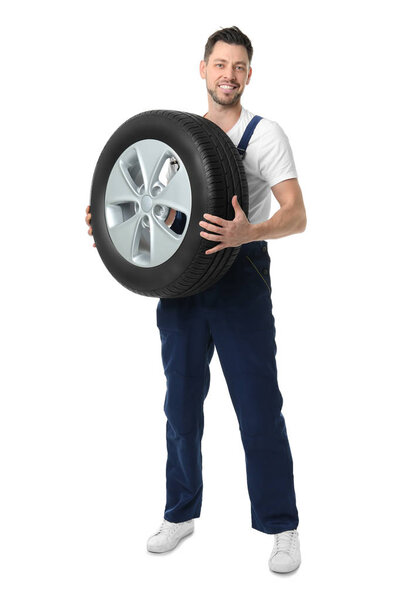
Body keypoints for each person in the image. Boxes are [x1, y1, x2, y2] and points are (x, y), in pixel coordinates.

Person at [85, 26, 306, 574]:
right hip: (182, 287)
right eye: (219, 64)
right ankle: (180, 512)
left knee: (257, 410)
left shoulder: (264, 133)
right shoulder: (176, 139)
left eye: (239, 66)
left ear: (248, 75)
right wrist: (112, 225)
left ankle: (281, 527)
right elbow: (162, 213)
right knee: (180, 407)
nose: (228, 74)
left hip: (240, 280)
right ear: (203, 69)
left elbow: (297, 215)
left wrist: (246, 232)